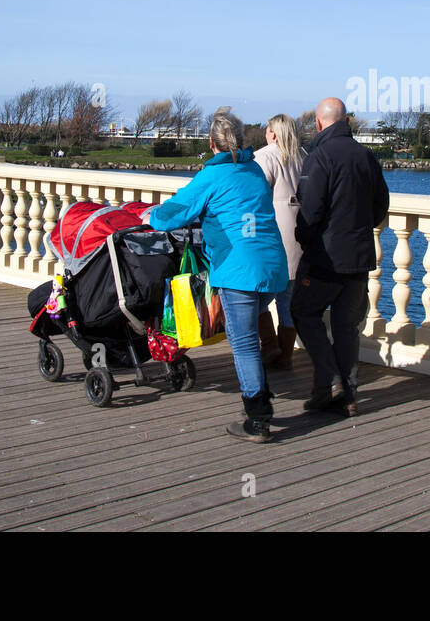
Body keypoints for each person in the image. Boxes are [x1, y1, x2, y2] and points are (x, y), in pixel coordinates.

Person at [148, 109, 288, 443]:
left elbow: (173, 214)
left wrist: (150, 214)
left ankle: (257, 419)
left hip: (240, 269)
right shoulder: (254, 169)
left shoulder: (211, 177)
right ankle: (260, 398)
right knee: (249, 337)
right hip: (272, 267)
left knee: (243, 344)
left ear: (212, 143)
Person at [292, 97, 390, 416]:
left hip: (324, 258)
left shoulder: (319, 156)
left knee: (304, 313)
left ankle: (332, 380)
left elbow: (310, 210)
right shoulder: (365, 156)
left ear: (319, 122)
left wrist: (304, 240)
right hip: (359, 256)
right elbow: (381, 205)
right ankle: (343, 395)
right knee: (347, 327)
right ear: (345, 121)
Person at [253, 114, 303, 371]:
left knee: (258, 298)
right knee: (287, 300)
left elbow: (256, 197)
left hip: (273, 237)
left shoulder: (265, 157)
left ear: (273, 132)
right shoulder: (303, 157)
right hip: (298, 237)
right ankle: (285, 357)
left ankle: (269, 345)